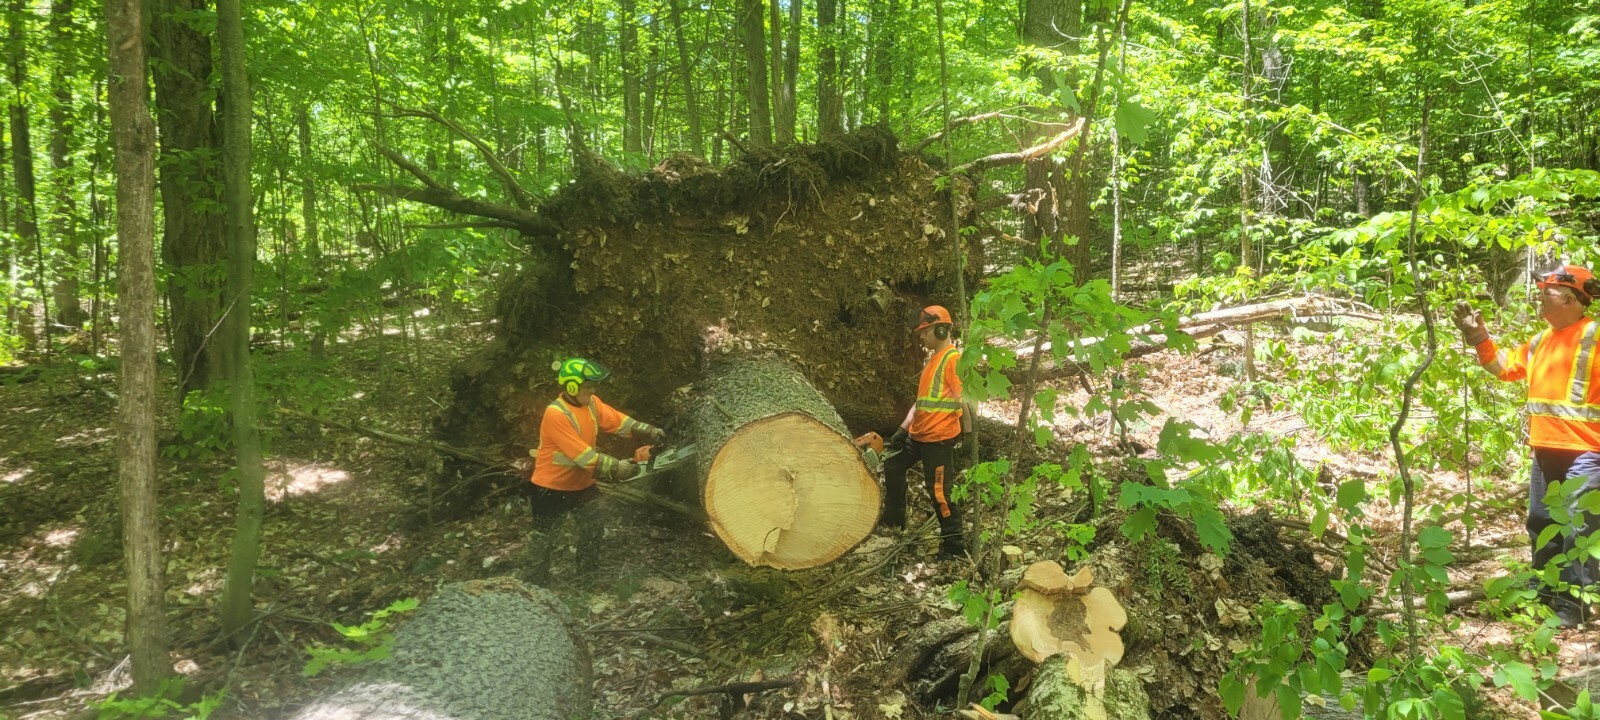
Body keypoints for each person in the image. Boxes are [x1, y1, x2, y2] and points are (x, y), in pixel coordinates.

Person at [1455, 265, 1600, 627]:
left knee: (1578, 529)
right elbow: (1502, 367)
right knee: (1542, 522)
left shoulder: (1595, 336)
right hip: (1544, 449)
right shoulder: (1540, 340)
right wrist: (1478, 337)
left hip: (1588, 451)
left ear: (1570, 299)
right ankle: (1545, 594)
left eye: (1546, 291)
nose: (1539, 296)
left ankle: (1574, 606)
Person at [525, 357, 665, 584]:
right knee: (544, 538)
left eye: (592, 385)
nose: (592, 389)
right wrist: (617, 468)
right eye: (587, 385)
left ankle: (586, 579)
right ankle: (533, 587)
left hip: (582, 485)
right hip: (550, 487)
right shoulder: (556, 414)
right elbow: (582, 456)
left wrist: (647, 430)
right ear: (571, 385)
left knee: (593, 528)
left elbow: (618, 421)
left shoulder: (591, 404)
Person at [883, 305, 974, 559]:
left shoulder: (952, 359)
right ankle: (893, 522)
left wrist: (968, 433)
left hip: (939, 440)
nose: (921, 336)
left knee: (940, 493)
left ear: (941, 329)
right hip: (919, 435)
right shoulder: (932, 360)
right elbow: (921, 401)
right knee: (893, 466)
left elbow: (965, 397)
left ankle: (954, 546)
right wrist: (903, 429)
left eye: (925, 331)